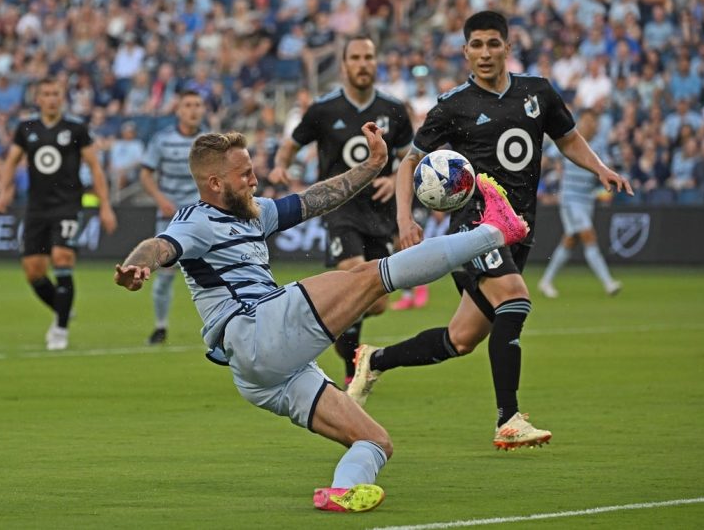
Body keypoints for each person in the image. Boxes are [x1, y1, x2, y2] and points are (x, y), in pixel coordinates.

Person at [114, 122, 529, 511]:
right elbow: (160, 245)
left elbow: (315, 199)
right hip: (257, 328)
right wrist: (139, 265)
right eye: (244, 175)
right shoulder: (196, 221)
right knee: (369, 276)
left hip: (263, 372)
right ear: (215, 183)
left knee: (375, 442)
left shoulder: (253, 212)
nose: (254, 179)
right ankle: (494, 231)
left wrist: (371, 166)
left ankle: (343, 489)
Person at [346, 11, 633, 450]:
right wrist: (406, 219)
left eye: (492, 44)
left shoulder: (538, 93)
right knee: (515, 300)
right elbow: (408, 163)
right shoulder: (452, 105)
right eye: (475, 45)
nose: (484, 53)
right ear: (465, 51)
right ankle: (508, 418)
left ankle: (375, 359)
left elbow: (568, 138)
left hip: (519, 230)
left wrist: (600, 168)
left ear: (506, 46)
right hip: (475, 226)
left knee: (460, 340)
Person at [269, 34, 414, 386]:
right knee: (355, 273)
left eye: (369, 57)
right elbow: (291, 143)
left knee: (374, 300)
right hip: (339, 208)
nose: (363, 63)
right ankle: (317, 331)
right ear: (345, 65)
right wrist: (280, 165)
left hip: (379, 213)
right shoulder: (324, 109)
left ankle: (348, 355)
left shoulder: (394, 109)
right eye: (356, 58)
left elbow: (412, 157)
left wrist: (393, 176)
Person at [0, 76, 117, 350]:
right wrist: (4, 191)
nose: (51, 98)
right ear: (38, 99)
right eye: (46, 94)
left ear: (62, 98)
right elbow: (11, 161)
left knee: (62, 257)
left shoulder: (76, 129)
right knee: (33, 272)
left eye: (56, 94)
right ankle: (63, 307)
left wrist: (105, 205)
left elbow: (95, 167)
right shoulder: (26, 128)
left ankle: (60, 330)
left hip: (67, 206)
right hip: (36, 208)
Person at [139, 89, 206, 345]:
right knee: (165, 275)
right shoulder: (162, 139)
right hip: (170, 219)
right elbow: (146, 174)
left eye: (197, 104)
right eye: (188, 105)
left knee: (211, 275)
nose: (193, 110)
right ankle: (160, 326)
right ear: (178, 110)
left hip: (203, 217)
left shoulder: (210, 141)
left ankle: (221, 329)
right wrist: (160, 199)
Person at [538, 110, 622, 298]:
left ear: (596, 126)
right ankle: (608, 283)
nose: (588, 125)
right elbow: (548, 157)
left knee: (570, 239)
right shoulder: (569, 140)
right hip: (570, 199)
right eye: (585, 121)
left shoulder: (599, 146)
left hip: (587, 200)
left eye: (592, 122)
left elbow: (607, 169)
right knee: (588, 235)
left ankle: (546, 280)